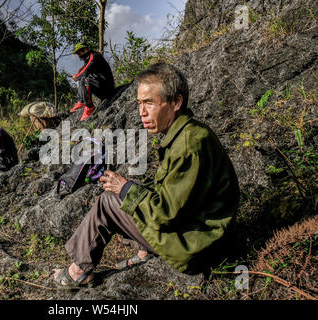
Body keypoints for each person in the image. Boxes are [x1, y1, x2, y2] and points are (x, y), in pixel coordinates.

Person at [53, 62, 240, 289]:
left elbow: (164, 214)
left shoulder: (189, 144)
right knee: (132, 187)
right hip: (199, 233)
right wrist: (127, 187)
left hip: (196, 246)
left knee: (109, 202)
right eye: (140, 103)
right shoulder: (189, 133)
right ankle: (145, 251)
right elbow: (173, 198)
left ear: (176, 102)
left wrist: (123, 189)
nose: (142, 112)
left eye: (149, 103)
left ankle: (77, 272)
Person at [70, 43, 115, 121]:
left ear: (88, 48)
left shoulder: (94, 55)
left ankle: (89, 106)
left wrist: (77, 77)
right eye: (78, 53)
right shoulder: (88, 59)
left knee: (84, 78)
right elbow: (83, 69)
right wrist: (77, 75)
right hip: (101, 87)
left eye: (82, 50)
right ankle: (81, 102)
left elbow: (86, 70)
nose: (81, 53)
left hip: (107, 87)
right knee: (83, 78)